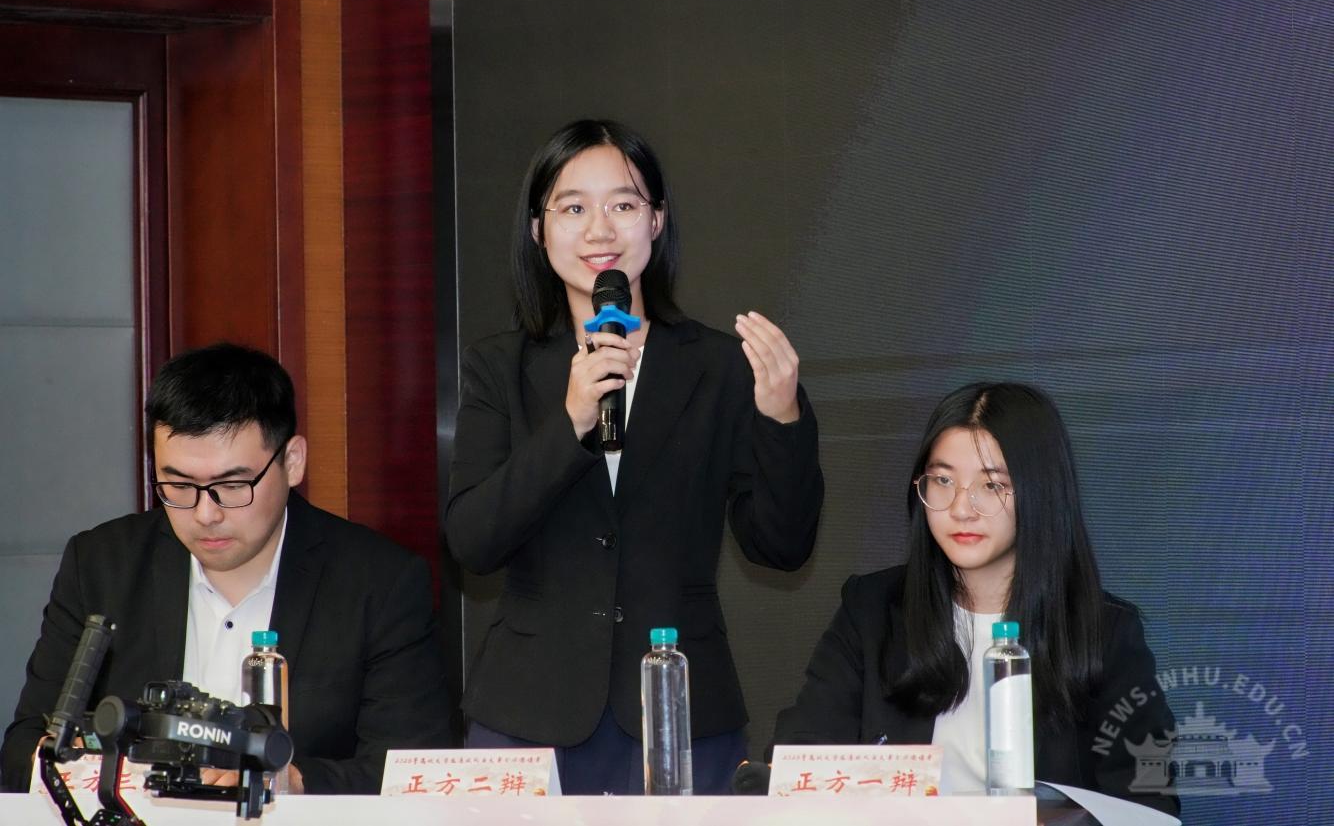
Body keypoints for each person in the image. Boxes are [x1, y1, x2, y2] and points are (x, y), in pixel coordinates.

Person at [444, 119, 824, 795]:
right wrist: (571, 422)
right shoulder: (499, 367)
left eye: (622, 204)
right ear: (537, 230)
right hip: (529, 711)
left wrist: (782, 418)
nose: (600, 230)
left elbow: (781, 545)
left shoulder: (718, 366)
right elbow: (473, 541)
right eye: (572, 208)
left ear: (657, 220)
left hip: (683, 708)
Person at [1, 343, 451, 794]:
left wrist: (290, 783)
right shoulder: (102, 565)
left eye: (233, 485)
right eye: (178, 484)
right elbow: (25, 746)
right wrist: (106, 775)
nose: (205, 514)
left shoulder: (379, 583)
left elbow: (408, 775)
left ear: (293, 462)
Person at [773, 382, 1178, 815]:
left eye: (991, 485)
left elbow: (1147, 805)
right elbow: (803, 757)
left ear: (1040, 492)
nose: (961, 509)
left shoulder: (1104, 632)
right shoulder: (871, 610)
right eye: (943, 480)